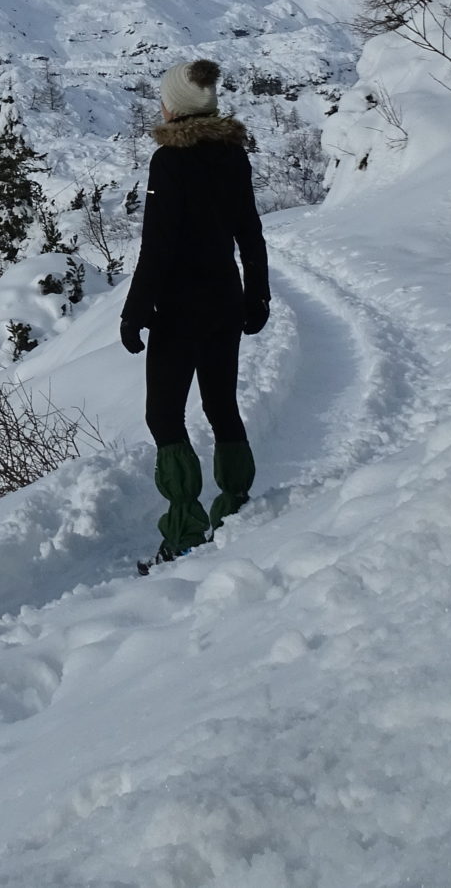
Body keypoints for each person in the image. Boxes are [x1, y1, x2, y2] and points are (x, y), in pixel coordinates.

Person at [120, 59, 270, 563]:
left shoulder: (170, 161)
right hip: (226, 300)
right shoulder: (232, 154)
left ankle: (185, 529)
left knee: (163, 415)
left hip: (180, 309)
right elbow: (250, 230)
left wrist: (134, 310)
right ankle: (235, 506)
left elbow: (157, 247)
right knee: (220, 403)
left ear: (176, 106)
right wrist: (258, 294)